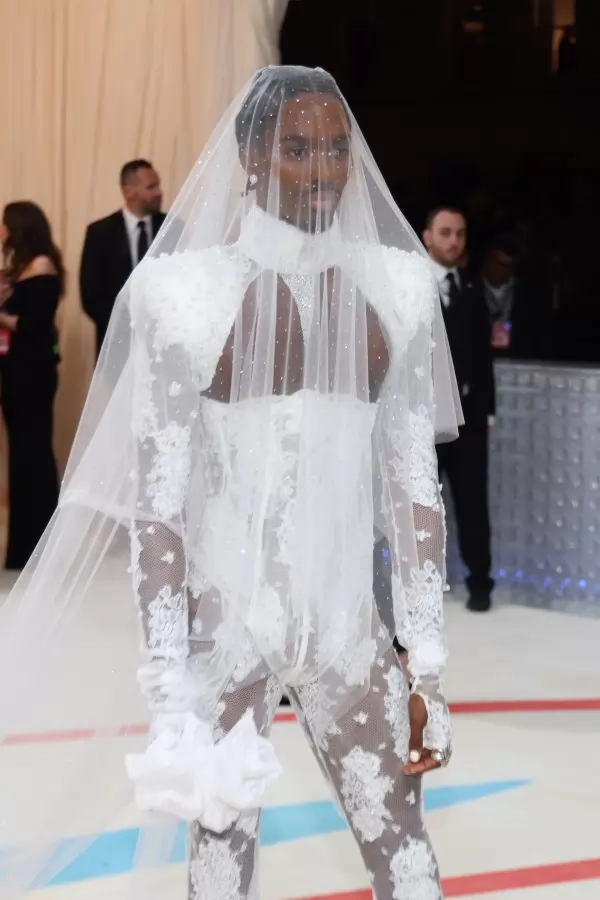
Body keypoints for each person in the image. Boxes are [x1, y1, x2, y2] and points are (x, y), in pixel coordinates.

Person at [0, 67, 461, 899]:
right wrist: (168, 678)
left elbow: (413, 488)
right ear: (250, 157)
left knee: (406, 854)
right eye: (297, 149)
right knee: (218, 866)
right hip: (225, 628)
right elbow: (158, 504)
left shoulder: (398, 291)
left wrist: (426, 664)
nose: (322, 169)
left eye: (336, 149)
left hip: (348, 627)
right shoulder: (185, 296)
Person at [424, 206, 495, 612]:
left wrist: (489, 412)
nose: (454, 241)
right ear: (427, 236)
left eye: (460, 234)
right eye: (446, 232)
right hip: (422, 420)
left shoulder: (471, 286)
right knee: (422, 504)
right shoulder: (411, 283)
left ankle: (480, 581)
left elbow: (484, 358)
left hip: (468, 419)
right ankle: (420, 585)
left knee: (472, 502)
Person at [0, 201, 62, 569]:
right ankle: (23, 548)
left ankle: (40, 546)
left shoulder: (41, 265)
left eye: (5, 223)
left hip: (33, 373)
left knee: (34, 453)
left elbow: (33, 324)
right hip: (16, 370)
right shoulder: (21, 268)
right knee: (22, 456)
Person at [80, 159, 165, 356]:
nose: (159, 192)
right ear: (129, 192)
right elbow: (91, 295)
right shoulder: (99, 233)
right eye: (151, 187)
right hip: (116, 346)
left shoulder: (172, 227)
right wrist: (125, 327)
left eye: (158, 185)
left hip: (162, 347)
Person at [482, 233, 552, 361]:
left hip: (517, 364)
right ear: (488, 260)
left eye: (507, 266)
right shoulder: (468, 291)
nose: (501, 270)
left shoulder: (529, 297)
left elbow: (540, 340)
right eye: (498, 263)